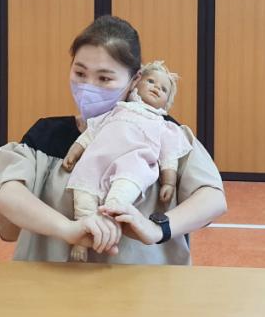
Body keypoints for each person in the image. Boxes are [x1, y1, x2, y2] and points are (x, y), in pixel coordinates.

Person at [0, 15, 226, 265]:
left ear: (135, 79)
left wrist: (157, 229)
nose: (88, 86)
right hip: (53, 282)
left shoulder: (163, 132)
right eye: (80, 73)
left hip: (142, 284)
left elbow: (211, 197)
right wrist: (68, 229)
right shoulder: (46, 135)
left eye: (104, 78)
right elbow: (7, 192)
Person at [63, 60, 193, 262]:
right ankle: (83, 234)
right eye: (151, 81)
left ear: (167, 102)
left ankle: (110, 223)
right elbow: (91, 133)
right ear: (135, 83)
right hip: (99, 158)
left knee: (122, 193)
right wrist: (74, 151)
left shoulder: (162, 124)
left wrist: (169, 181)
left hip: (133, 163)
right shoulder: (117, 109)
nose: (156, 88)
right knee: (84, 191)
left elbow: (169, 155)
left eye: (163, 89)